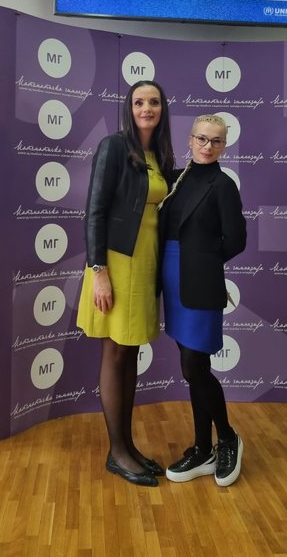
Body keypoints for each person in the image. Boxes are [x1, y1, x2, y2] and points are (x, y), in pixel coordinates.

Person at [77, 80, 175, 487]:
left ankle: (128, 446)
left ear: (162, 108)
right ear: (129, 109)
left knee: (131, 353)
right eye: (138, 102)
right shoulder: (113, 147)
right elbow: (95, 211)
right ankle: (116, 452)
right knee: (115, 353)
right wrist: (98, 271)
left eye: (153, 102)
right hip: (115, 264)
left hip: (146, 263)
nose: (146, 108)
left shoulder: (162, 155)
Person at [158, 114, 247, 487]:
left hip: (201, 283)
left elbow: (236, 240)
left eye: (216, 141)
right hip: (171, 280)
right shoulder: (175, 178)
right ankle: (201, 448)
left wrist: (204, 263)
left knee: (195, 366)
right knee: (190, 367)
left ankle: (227, 438)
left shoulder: (223, 185)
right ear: (190, 140)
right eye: (202, 139)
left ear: (224, 145)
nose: (208, 146)